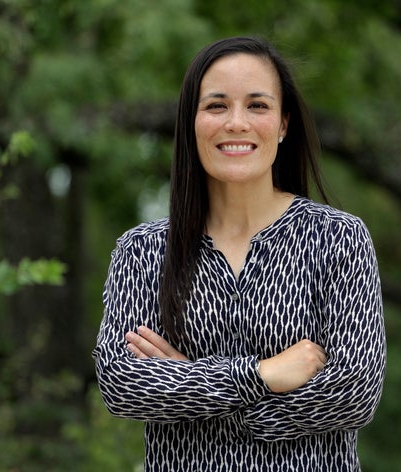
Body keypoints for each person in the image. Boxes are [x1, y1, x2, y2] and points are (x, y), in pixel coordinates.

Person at [93, 36, 386, 471]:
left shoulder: (339, 239)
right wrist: (262, 375)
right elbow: (121, 384)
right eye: (216, 106)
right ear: (191, 123)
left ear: (284, 124)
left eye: (257, 105)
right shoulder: (143, 251)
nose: (236, 123)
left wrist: (190, 381)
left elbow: (354, 394)